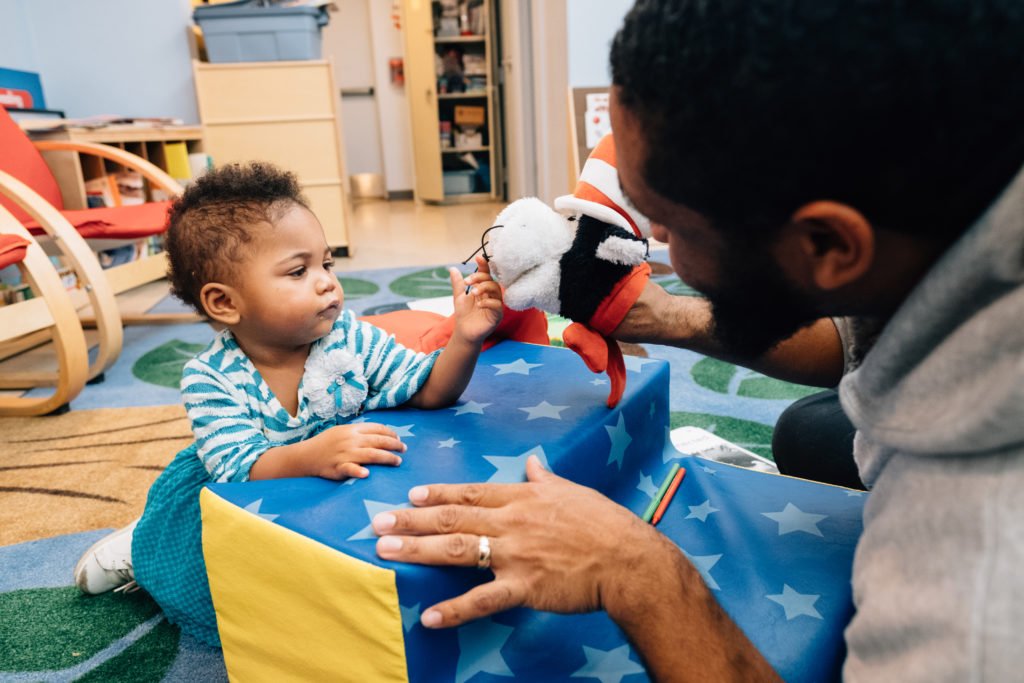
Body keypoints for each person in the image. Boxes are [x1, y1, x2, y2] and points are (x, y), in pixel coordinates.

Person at [370, 1, 1024, 680]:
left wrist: (636, 568)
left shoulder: (979, 579)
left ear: (829, 243)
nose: (658, 250)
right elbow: (861, 336)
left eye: (672, 227)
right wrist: (665, 318)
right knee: (809, 430)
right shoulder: (943, 206)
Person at [73, 162, 503, 646]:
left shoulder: (350, 339)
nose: (326, 282)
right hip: (235, 505)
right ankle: (142, 545)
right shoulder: (209, 378)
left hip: (323, 504)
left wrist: (465, 340)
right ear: (224, 303)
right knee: (218, 593)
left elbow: (428, 390)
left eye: (327, 264)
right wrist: (313, 453)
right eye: (299, 271)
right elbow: (235, 471)